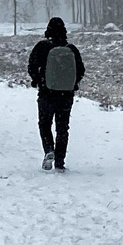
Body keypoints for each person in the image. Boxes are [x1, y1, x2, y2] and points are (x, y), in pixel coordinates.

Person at [26, 16, 85, 171]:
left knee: (44, 124)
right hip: (66, 95)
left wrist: (38, 80)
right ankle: (60, 162)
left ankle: (49, 150)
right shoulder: (71, 49)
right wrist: (73, 84)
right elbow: (81, 70)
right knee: (62, 127)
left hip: (46, 93)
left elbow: (31, 66)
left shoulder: (42, 47)